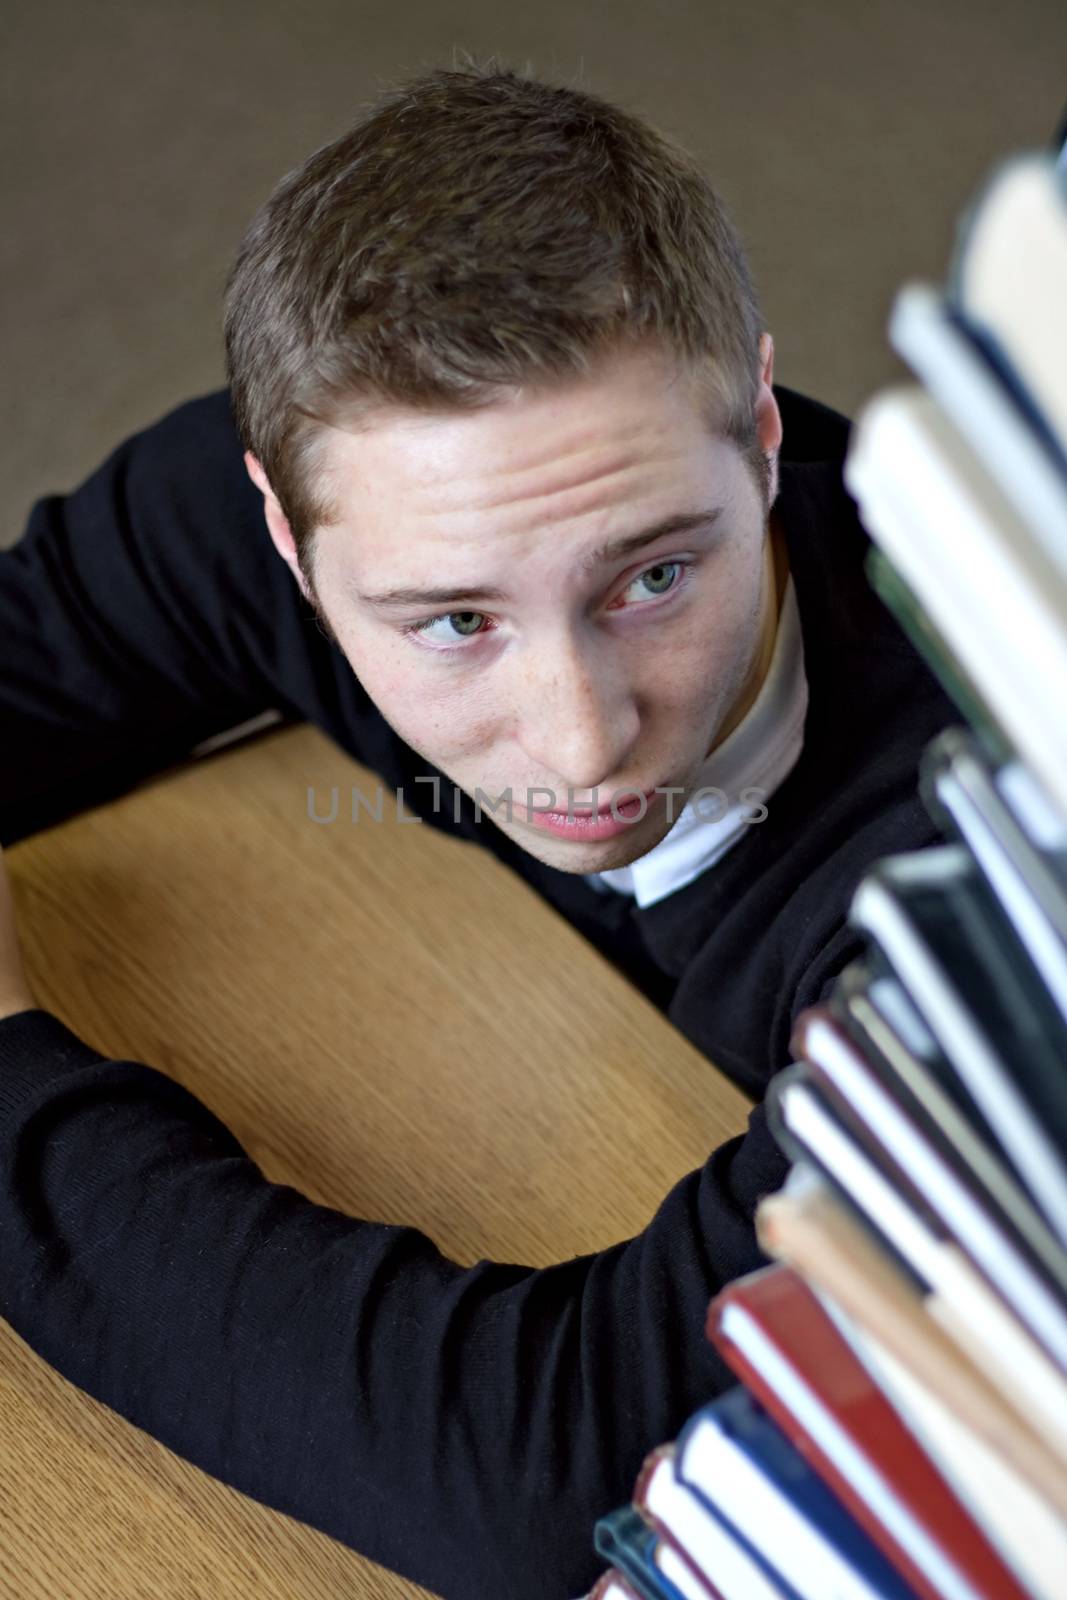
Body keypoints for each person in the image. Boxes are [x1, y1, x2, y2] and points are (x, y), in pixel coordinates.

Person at [0, 61, 955, 1600]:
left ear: (763, 436)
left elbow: (571, 1477)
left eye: (652, 577)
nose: (580, 742)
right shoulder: (312, 516)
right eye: (453, 622)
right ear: (286, 539)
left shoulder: (973, 875)